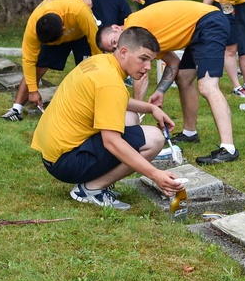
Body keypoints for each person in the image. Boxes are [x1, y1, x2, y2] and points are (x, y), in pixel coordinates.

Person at [31, 27, 183, 210]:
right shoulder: (110, 83)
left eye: (151, 61)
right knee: (154, 138)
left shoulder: (101, 61)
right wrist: (155, 174)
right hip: (66, 162)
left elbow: (118, 101)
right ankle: (90, 189)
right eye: (143, 59)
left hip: (53, 154)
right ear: (124, 52)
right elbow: (111, 142)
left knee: (130, 117)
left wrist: (151, 108)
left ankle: (95, 182)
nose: (148, 67)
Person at [97, 0, 238, 165]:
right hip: (198, 28)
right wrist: (161, 91)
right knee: (184, 77)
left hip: (209, 22)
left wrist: (136, 114)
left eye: (115, 42)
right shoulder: (144, 35)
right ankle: (190, 133)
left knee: (207, 86)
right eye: (113, 49)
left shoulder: (134, 30)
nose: (118, 48)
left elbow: (141, 75)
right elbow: (173, 63)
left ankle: (228, 148)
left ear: (116, 27)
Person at [0, 0, 101, 121]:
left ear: (64, 29)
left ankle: (93, 107)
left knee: (88, 70)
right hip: (52, 35)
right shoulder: (34, 26)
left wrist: (99, 65)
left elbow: (94, 40)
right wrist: (33, 91)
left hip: (81, 36)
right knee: (37, 68)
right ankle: (16, 109)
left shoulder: (79, 11)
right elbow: (29, 60)